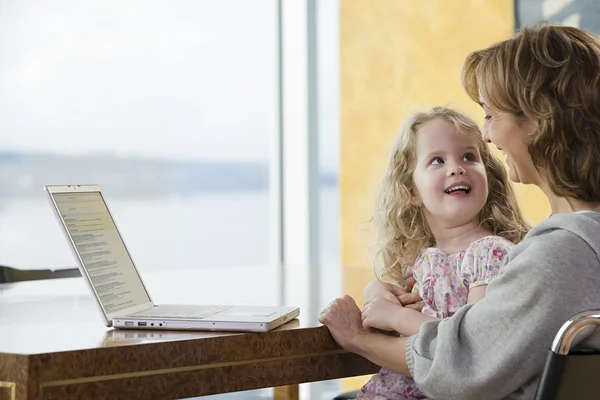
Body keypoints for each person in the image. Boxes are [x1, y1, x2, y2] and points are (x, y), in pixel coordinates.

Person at [320, 23, 600, 400]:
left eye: (491, 114)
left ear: (538, 118)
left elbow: (461, 367)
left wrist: (356, 338)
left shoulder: (564, 255)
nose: (487, 136)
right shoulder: (577, 241)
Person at [355, 107, 528, 399]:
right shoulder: (426, 259)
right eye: (437, 160)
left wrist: (397, 317)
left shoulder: (491, 255)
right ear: (412, 191)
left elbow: (467, 344)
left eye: (469, 157)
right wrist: (377, 290)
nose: (456, 168)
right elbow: (395, 300)